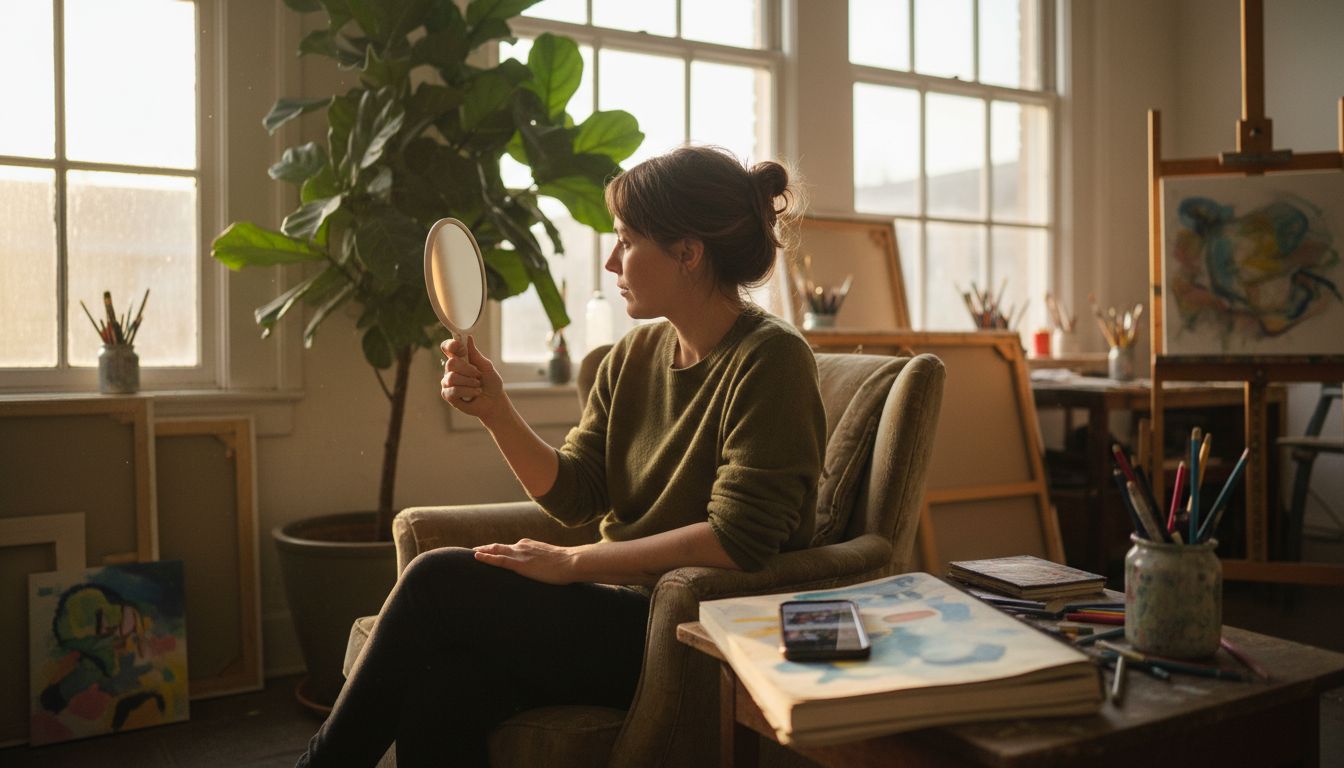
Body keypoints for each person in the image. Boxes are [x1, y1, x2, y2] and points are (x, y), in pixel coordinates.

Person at [296, 145, 827, 767]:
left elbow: (740, 539)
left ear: (688, 253)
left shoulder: (772, 360)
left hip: (696, 629)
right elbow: (576, 493)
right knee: (442, 685)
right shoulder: (632, 357)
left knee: (437, 579)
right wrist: (496, 409)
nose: (610, 261)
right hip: (623, 616)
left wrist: (575, 562)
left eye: (626, 241)